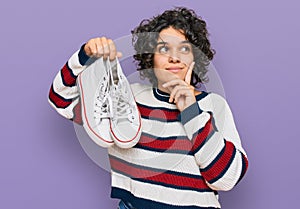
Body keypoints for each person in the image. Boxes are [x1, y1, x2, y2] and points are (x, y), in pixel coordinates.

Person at [48, 7, 248, 209]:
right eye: (163, 49)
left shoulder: (213, 105)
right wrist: (84, 56)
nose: (174, 57)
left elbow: (227, 179)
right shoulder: (127, 98)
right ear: (150, 57)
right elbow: (60, 100)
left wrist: (190, 110)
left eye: (184, 49)